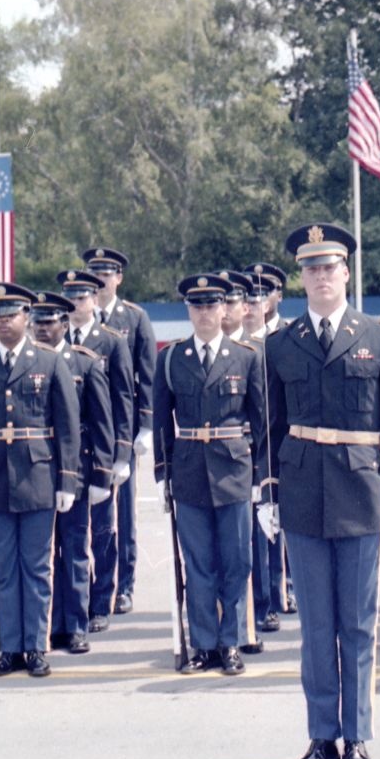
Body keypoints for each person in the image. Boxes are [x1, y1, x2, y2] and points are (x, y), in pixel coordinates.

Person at [259, 222, 380, 759]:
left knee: (356, 624)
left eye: (330, 267)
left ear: (346, 272)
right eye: (311, 269)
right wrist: (268, 495)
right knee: (315, 627)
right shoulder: (280, 344)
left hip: (358, 494)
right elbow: (270, 426)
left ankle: (357, 738)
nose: (321, 276)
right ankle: (321, 737)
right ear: (300, 278)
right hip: (301, 496)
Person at [0, 283, 82, 677]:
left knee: (37, 566)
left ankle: (35, 647)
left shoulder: (47, 361)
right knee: (4, 568)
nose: (4, 322)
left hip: (39, 477)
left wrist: (67, 481)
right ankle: (9, 647)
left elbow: (67, 427)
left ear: (27, 317)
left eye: (12, 315)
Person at [153, 271, 267, 675]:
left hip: (233, 470)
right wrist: (163, 473)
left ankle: (231, 641)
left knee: (236, 561)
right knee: (198, 563)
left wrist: (260, 478)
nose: (205, 312)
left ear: (225, 308)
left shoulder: (246, 357)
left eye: (211, 304)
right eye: (197, 305)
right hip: (188, 472)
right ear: (189, 310)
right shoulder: (170, 358)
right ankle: (203, 644)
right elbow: (162, 422)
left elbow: (261, 421)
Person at [30, 291, 115, 656]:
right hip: (38, 471)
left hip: (76, 471)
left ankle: (77, 624)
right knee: (44, 554)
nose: (43, 329)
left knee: (76, 549)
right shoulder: (29, 361)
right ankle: (51, 625)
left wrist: (101, 474)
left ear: (65, 323)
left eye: (49, 322)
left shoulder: (85, 363)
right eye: (38, 322)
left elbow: (102, 424)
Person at [60, 266, 135, 635]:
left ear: (94, 299)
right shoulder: (54, 342)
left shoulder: (111, 341)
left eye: (83, 296)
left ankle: (102, 598)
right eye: (71, 297)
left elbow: (123, 400)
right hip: (69, 453)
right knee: (72, 532)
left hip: (101, 448)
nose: (77, 303)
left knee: (104, 528)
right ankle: (75, 603)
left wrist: (122, 454)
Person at [85, 247, 156, 619]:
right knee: (91, 518)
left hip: (121, 430)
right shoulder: (76, 317)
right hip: (89, 433)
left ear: (119, 278)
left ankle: (124, 585)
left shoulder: (134, 318)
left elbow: (146, 374)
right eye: (94, 273)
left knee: (123, 513)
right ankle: (94, 585)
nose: (100, 280)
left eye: (107, 273)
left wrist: (145, 426)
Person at [244, 262, 290, 642]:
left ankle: (277, 593)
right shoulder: (238, 344)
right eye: (248, 297)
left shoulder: (284, 340)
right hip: (237, 447)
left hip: (272, 444)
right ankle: (262, 601)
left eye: (261, 295)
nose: (253, 304)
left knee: (274, 525)